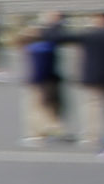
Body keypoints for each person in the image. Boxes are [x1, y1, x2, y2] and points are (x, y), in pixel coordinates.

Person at [19, 14, 69, 146]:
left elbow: (38, 68)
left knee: (36, 107)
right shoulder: (49, 46)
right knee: (51, 107)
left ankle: (41, 131)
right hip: (51, 79)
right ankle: (52, 128)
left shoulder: (36, 48)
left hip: (39, 80)